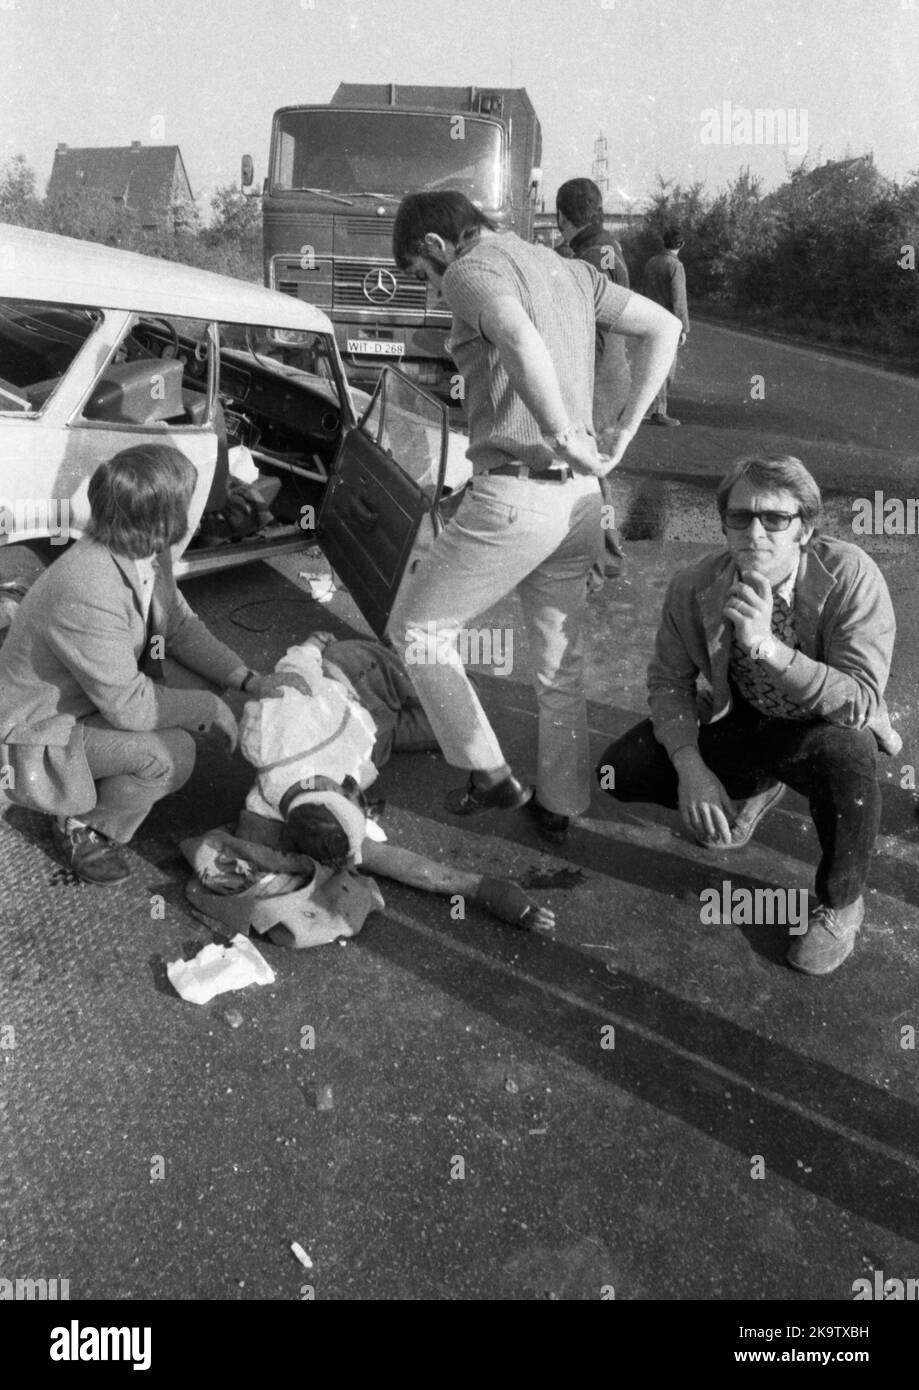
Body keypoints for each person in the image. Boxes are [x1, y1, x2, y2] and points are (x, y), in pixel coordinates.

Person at [391, 190, 681, 843]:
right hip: (578, 499)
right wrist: (621, 433)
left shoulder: (469, 270)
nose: (435, 294)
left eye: (421, 277)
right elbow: (665, 326)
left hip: (515, 492)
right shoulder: (572, 272)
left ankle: (487, 772)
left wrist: (557, 430)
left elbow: (517, 335)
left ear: (437, 247)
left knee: (418, 634)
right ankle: (562, 804)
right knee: (558, 667)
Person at [597, 455, 901, 975]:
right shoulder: (694, 584)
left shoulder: (850, 575)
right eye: (740, 517)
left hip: (821, 725)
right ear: (724, 525)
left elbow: (859, 701)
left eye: (775, 519)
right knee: (620, 770)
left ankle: (841, 902)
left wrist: (767, 647)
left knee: (849, 758)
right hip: (741, 716)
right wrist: (692, 768)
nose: (755, 532)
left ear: (804, 528)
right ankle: (757, 784)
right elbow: (668, 683)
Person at [0, 444, 307, 886]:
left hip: (97, 691)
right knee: (170, 755)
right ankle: (82, 823)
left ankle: (107, 775)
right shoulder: (87, 585)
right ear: (163, 517)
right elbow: (130, 708)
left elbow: (179, 626)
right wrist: (208, 708)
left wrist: (246, 679)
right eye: (188, 500)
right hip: (41, 725)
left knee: (199, 686)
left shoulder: (145, 550)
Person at [556, 176, 630, 577]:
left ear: (564, 218)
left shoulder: (589, 256)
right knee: (591, 467)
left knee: (591, 469)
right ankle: (602, 555)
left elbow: (591, 330)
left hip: (598, 378)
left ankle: (607, 558)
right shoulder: (606, 246)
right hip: (611, 373)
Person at [641, 226, 690, 425]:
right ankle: (659, 411)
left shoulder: (651, 262)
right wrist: (683, 328)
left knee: (651, 363)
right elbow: (679, 300)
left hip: (649, 320)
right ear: (682, 245)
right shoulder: (675, 266)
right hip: (667, 324)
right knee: (666, 368)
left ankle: (649, 408)